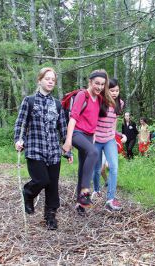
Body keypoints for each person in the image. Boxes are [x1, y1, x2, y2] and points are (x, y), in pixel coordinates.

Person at [14, 67, 72, 230]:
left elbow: (62, 128)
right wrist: (19, 140)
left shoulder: (58, 104)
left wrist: (67, 150)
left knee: (52, 185)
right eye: (47, 79)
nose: (50, 82)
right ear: (39, 80)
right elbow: (21, 123)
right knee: (42, 180)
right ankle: (28, 193)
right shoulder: (29, 101)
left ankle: (50, 216)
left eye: (53, 80)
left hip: (53, 151)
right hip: (35, 149)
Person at [62, 69, 115, 215]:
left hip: (89, 136)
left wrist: (95, 137)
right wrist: (67, 141)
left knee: (82, 170)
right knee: (93, 152)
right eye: (96, 83)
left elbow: (95, 120)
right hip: (77, 134)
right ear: (90, 82)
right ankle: (85, 191)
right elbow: (73, 118)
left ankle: (80, 204)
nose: (99, 87)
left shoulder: (99, 99)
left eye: (102, 84)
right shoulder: (82, 95)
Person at [92, 78, 126, 211]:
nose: (115, 93)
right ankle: (96, 189)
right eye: (112, 90)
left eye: (117, 90)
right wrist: (92, 135)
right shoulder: (99, 101)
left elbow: (114, 120)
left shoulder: (120, 103)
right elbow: (92, 119)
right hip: (96, 139)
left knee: (114, 168)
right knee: (97, 169)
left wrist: (114, 134)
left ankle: (110, 199)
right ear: (106, 90)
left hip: (109, 139)